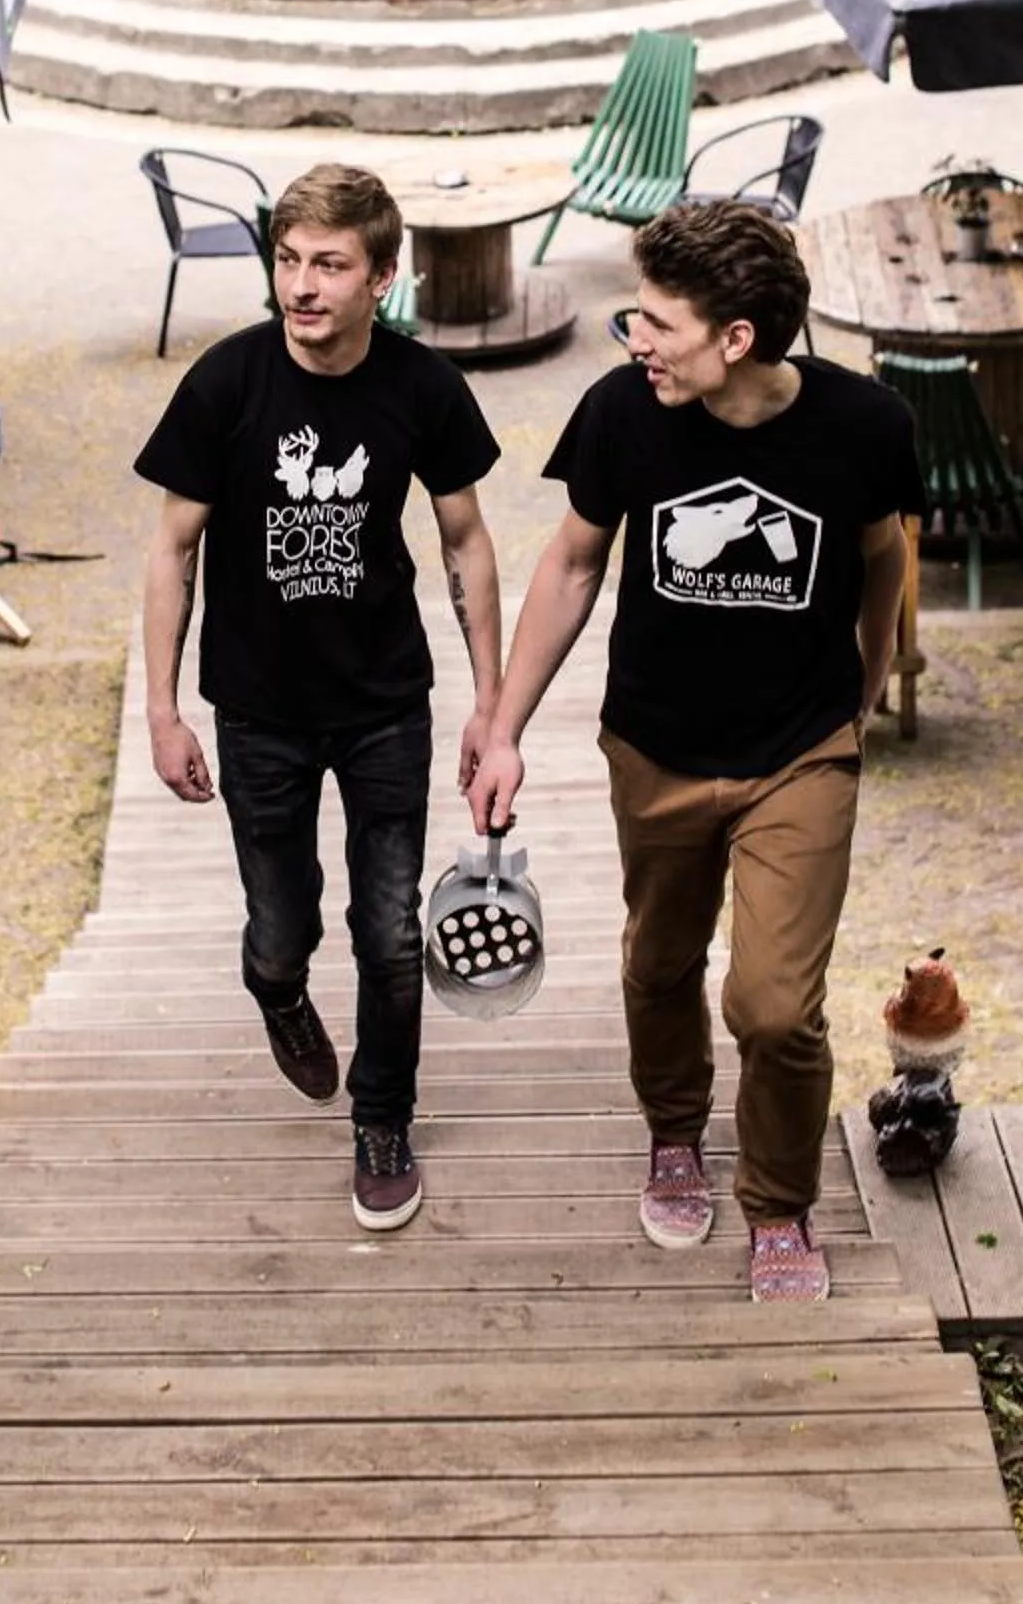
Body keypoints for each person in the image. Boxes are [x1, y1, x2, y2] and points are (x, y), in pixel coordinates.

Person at [466, 200, 921, 1302]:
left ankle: (779, 1205)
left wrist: (861, 696)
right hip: (655, 747)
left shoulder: (865, 425)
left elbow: (883, 558)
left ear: (737, 338)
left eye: (658, 324)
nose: (636, 340)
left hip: (798, 753)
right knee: (660, 962)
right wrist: (503, 730)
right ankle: (674, 1131)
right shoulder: (622, 412)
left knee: (773, 1005)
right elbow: (574, 565)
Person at [136, 162, 502, 1233]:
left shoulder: (423, 387)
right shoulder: (225, 383)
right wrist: (161, 710)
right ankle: (278, 993)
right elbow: (170, 550)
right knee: (277, 930)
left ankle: (381, 1118)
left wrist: (492, 706)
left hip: (385, 701)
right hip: (256, 709)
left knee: (389, 934)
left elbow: (467, 541)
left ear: (380, 277)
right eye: (288, 260)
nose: (300, 285)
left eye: (329, 265)